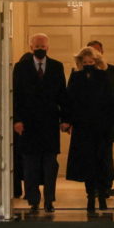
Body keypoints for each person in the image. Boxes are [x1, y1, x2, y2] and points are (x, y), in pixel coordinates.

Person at [12, 33, 68, 213]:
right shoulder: (21, 68)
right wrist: (17, 120)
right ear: (31, 47)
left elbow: (63, 95)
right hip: (28, 124)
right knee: (30, 165)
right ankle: (33, 199)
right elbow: (16, 96)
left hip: (50, 123)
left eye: (43, 47)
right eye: (37, 46)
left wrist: (65, 120)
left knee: (50, 165)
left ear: (48, 48)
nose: (40, 50)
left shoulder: (57, 67)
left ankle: (49, 200)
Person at [64, 46, 114, 214]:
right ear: (80, 62)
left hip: (101, 128)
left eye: (91, 62)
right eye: (85, 62)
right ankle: (90, 198)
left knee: (102, 162)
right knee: (87, 164)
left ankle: (102, 196)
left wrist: (112, 127)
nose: (88, 64)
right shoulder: (76, 77)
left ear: (97, 62)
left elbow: (111, 102)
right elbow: (69, 100)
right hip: (83, 128)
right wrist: (67, 121)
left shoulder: (103, 76)